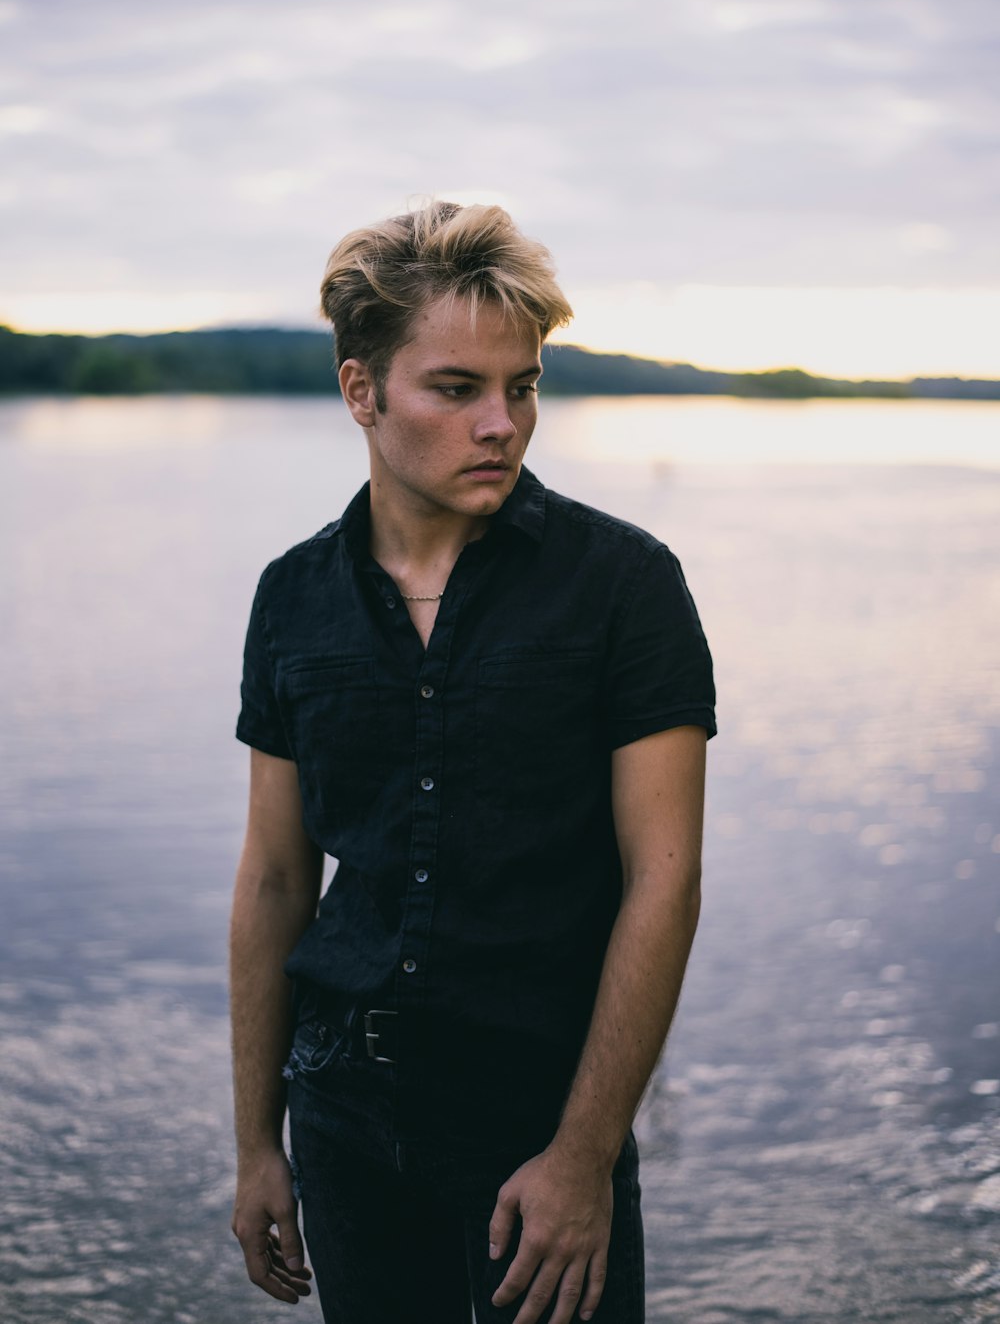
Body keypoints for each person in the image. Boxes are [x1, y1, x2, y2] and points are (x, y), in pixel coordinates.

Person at [229, 199, 716, 1324]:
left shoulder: (623, 588)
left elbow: (665, 879)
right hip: (342, 1116)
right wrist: (258, 1142)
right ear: (362, 391)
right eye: (456, 389)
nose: (501, 423)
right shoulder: (292, 598)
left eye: (524, 386)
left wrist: (585, 1156)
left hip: (536, 1123)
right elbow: (273, 879)